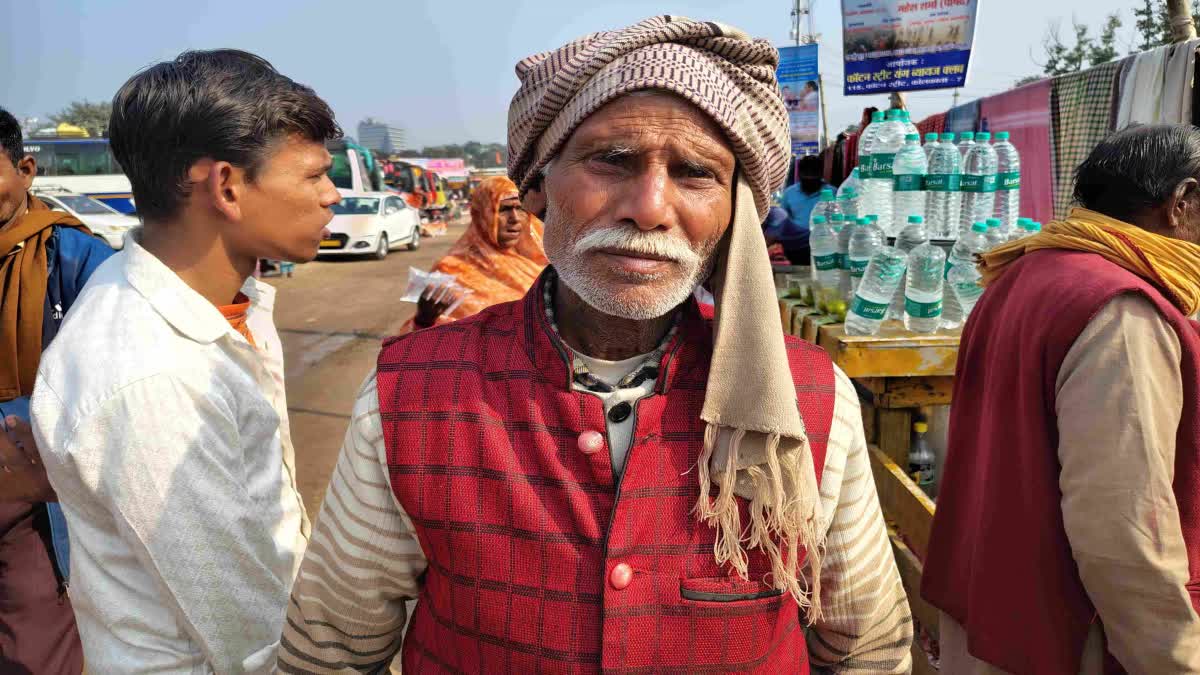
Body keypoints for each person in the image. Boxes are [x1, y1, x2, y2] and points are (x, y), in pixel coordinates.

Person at [281, 16, 911, 674]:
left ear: (734, 212)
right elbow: (332, 651)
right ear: (535, 190)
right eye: (611, 160)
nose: (650, 205)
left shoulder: (812, 399)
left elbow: (866, 649)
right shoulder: (412, 396)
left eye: (695, 173)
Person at [29, 49, 342, 673]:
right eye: (312, 176)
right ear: (226, 185)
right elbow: (243, 628)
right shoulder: (153, 375)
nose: (332, 196)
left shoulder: (218, 300)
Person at [923, 124, 1200, 674]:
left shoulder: (1026, 272)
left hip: (992, 611)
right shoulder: (1123, 312)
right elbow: (1123, 528)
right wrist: (1174, 660)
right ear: (1181, 203)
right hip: (1068, 635)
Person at [0, 106, 113, 674]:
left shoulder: (75, 257)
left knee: (35, 634)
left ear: (25, 169)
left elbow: (113, 369)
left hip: (29, 476)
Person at [402, 174, 547, 332]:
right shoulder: (451, 271)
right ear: (482, 215)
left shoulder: (538, 264)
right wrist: (424, 321)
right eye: (503, 209)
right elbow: (426, 343)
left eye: (520, 209)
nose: (515, 218)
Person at [775, 155, 830, 265]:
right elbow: (783, 222)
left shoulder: (832, 193)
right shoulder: (789, 193)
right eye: (806, 178)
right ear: (800, 175)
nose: (809, 182)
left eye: (813, 179)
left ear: (820, 175)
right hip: (796, 248)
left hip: (824, 245)